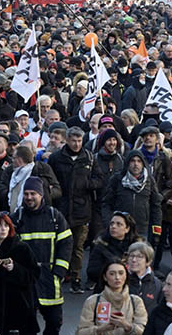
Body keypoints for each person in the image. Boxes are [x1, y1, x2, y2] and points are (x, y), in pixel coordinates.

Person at [11, 177, 72, 335]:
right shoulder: (17, 218)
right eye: (26, 194)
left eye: (33, 193)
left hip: (49, 278)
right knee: (26, 325)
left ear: (41, 195)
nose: (29, 197)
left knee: (54, 321)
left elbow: (66, 243)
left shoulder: (54, 216)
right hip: (27, 279)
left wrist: (60, 270)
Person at [46, 125, 96, 293]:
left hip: (82, 209)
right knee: (60, 244)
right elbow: (50, 180)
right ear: (67, 140)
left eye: (79, 140)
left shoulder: (89, 158)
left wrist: (87, 185)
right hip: (62, 207)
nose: (76, 144)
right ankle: (60, 274)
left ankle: (76, 277)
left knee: (77, 246)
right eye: (73, 140)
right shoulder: (56, 158)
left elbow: (99, 180)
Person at [102, 150, 163, 242]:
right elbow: (106, 204)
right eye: (132, 161)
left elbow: (156, 206)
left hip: (142, 229)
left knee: (138, 256)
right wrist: (109, 224)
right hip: (121, 229)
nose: (135, 164)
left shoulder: (149, 180)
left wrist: (156, 231)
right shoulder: (117, 179)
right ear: (127, 163)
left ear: (143, 164)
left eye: (139, 161)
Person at [75, 261, 148, 335]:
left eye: (121, 273)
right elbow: (81, 332)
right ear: (105, 277)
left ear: (126, 276)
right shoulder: (92, 301)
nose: (117, 277)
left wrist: (127, 326)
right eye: (112, 274)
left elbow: (145, 331)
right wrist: (101, 329)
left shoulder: (136, 301)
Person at [87, 211, 141, 292]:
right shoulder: (101, 245)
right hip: (105, 291)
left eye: (119, 224)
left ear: (127, 229)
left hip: (130, 291)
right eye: (112, 224)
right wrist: (110, 270)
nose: (113, 226)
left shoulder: (136, 248)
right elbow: (91, 271)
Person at [127, 241, 163, 313]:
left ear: (148, 262)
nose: (134, 260)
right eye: (131, 256)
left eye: (139, 257)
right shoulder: (120, 280)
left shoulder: (158, 285)